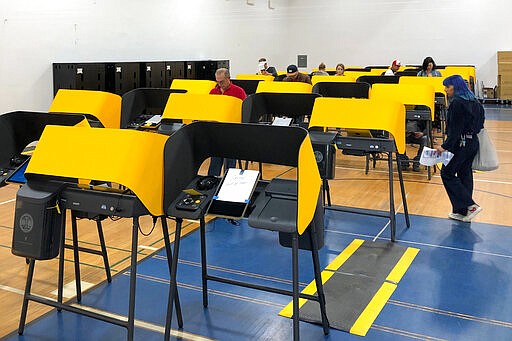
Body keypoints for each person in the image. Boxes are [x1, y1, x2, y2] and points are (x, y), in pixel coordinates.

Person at [437, 75, 485, 222]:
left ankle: (470, 205)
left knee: (447, 173)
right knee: (465, 174)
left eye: (448, 87)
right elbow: (480, 125)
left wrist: (445, 146)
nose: (445, 90)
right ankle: (462, 212)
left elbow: (455, 129)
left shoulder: (457, 103)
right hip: (472, 142)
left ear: (455, 87)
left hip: (460, 144)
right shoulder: (475, 102)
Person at [208, 68, 247, 176]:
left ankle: (228, 180)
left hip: (232, 131)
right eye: (217, 81)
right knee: (215, 161)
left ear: (228, 78)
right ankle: (212, 181)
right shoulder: (213, 92)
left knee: (230, 161)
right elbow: (209, 110)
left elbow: (245, 111)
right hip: (216, 131)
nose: (220, 84)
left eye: (222, 81)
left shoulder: (239, 91)